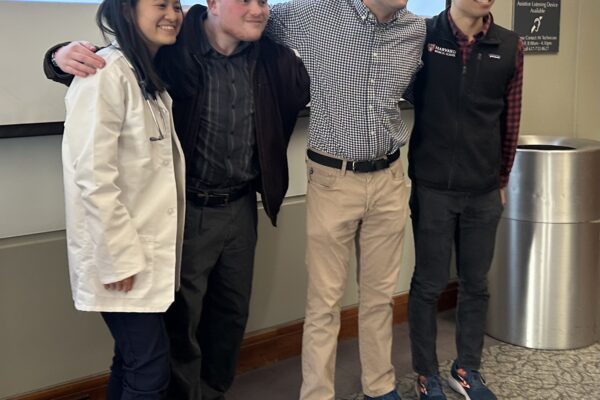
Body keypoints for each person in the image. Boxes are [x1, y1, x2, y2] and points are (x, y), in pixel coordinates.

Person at [44, 0, 310, 399]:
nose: (259, 9)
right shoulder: (170, 46)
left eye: (264, 1)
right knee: (177, 329)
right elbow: (100, 76)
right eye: (247, 0)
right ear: (215, 3)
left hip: (240, 208)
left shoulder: (276, 59)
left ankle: (212, 392)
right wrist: (57, 56)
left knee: (229, 319)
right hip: (186, 212)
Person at [266, 1, 425, 399]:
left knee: (379, 298)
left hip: (389, 179)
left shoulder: (417, 30)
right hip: (333, 180)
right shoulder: (315, 13)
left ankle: (380, 386)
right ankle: (317, 393)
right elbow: (239, 20)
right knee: (324, 303)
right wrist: (91, 50)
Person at [59, 0, 185, 399]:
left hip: (143, 251)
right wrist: (118, 255)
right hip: (121, 256)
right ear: (125, 11)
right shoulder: (105, 73)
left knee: (132, 361)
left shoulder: (143, 73)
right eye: (160, 4)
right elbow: (93, 175)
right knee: (149, 372)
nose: (173, 13)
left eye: (178, 4)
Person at [405, 0, 524, 399]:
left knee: (476, 284)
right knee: (428, 284)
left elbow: (511, 119)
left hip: (484, 189)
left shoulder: (509, 45)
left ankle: (466, 369)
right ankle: (426, 374)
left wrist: (501, 178)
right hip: (433, 186)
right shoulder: (424, 35)